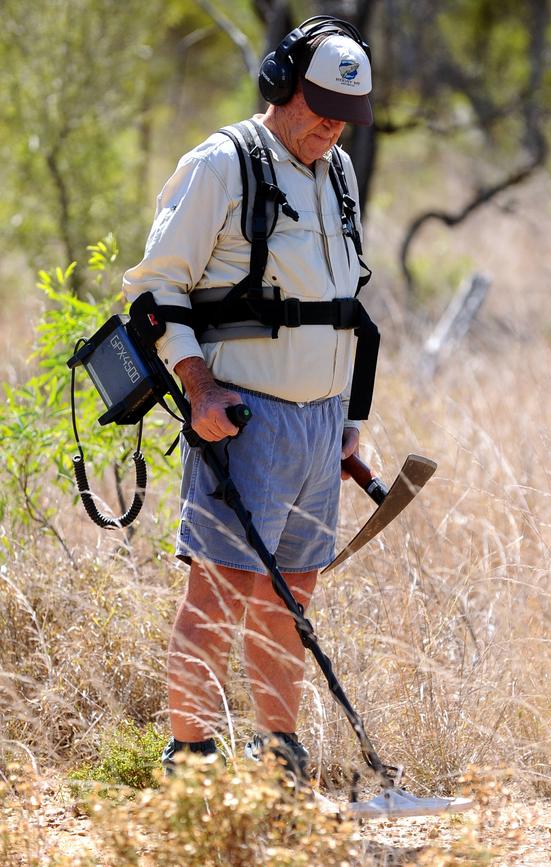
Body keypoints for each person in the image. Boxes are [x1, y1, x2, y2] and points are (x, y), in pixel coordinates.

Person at [122, 16, 376, 779]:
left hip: (319, 424)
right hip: (244, 421)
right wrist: (197, 387)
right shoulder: (221, 164)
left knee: (291, 595)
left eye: (346, 114)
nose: (332, 125)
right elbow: (153, 290)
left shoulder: (337, 171)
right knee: (220, 590)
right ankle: (190, 759)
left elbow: (343, 303)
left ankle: (277, 760)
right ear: (281, 85)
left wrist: (349, 421)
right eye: (321, 105)